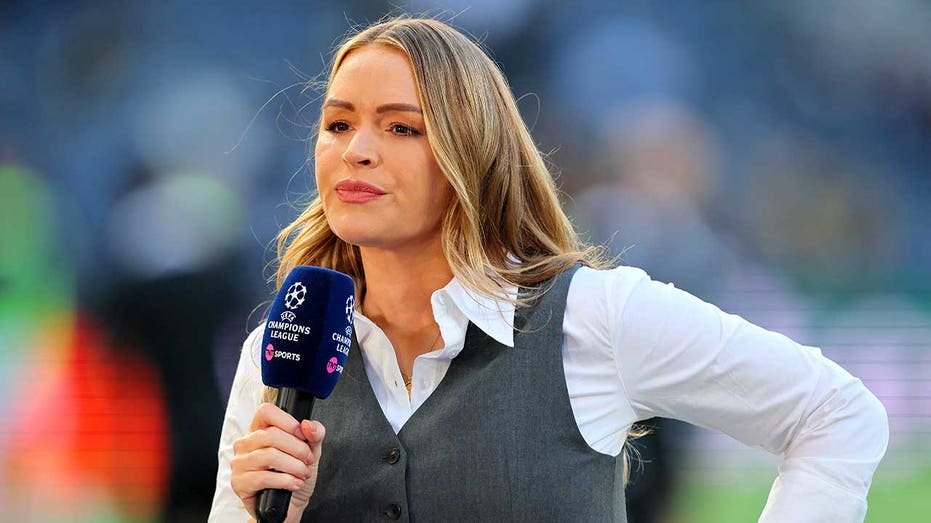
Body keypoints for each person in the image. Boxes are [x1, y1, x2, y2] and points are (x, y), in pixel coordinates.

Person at [209, 16, 888, 522]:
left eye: (402, 128)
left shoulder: (594, 317)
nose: (356, 150)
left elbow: (836, 411)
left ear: (472, 153)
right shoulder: (274, 356)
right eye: (337, 124)